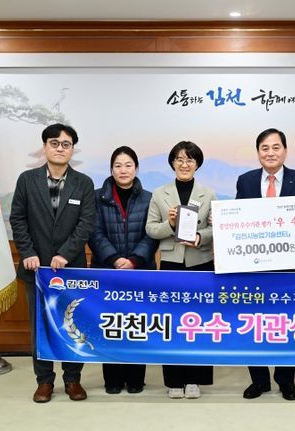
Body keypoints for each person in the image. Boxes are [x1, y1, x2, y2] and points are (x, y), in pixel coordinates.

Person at [10, 123, 95, 403]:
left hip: (71, 269)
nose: (60, 148)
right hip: (36, 269)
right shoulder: (27, 180)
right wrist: (28, 252)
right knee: (41, 327)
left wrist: (66, 254)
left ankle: (73, 379)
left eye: (66, 144)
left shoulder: (84, 183)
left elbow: (86, 224)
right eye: (54, 143)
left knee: (73, 322)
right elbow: (18, 219)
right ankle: (44, 381)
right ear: (45, 147)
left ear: (72, 150)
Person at [235, 128, 295, 401]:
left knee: (288, 323)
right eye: (264, 148)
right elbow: (237, 222)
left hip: (290, 268)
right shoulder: (246, 181)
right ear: (258, 152)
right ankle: (259, 381)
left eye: (275, 147)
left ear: (285, 150)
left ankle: (286, 379)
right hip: (253, 267)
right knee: (253, 323)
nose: (270, 153)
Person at [145, 141, 215, 399]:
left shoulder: (208, 194)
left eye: (190, 160)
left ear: (197, 164)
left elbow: (216, 228)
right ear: (172, 163)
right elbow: (150, 229)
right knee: (172, 322)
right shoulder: (159, 194)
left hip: (201, 263)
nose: (184, 164)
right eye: (179, 159)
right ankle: (174, 380)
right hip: (171, 264)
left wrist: (200, 237)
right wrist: (170, 224)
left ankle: (196, 379)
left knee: (199, 322)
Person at [88, 146, 158, 395]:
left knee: (137, 324)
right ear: (111, 169)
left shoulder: (150, 198)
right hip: (107, 271)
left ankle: (136, 378)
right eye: (118, 165)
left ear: (136, 168)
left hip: (140, 272)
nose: (123, 170)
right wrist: (115, 259)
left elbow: (152, 234)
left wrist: (135, 260)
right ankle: (113, 379)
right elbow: (93, 232)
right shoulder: (97, 197)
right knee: (110, 324)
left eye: (128, 165)